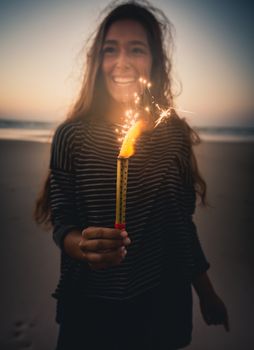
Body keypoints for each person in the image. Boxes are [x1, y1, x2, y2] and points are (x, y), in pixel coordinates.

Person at [34, 1, 229, 349]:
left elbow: (180, 223)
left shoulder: (173, 135)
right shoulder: (71, 136)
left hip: (161, 304)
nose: (121, 62)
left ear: (154, 61)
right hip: (89, 308)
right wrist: (83, 246)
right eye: (111, 50)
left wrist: (207, 292)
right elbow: (63, 224)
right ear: (98, 61)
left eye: (136, 49)